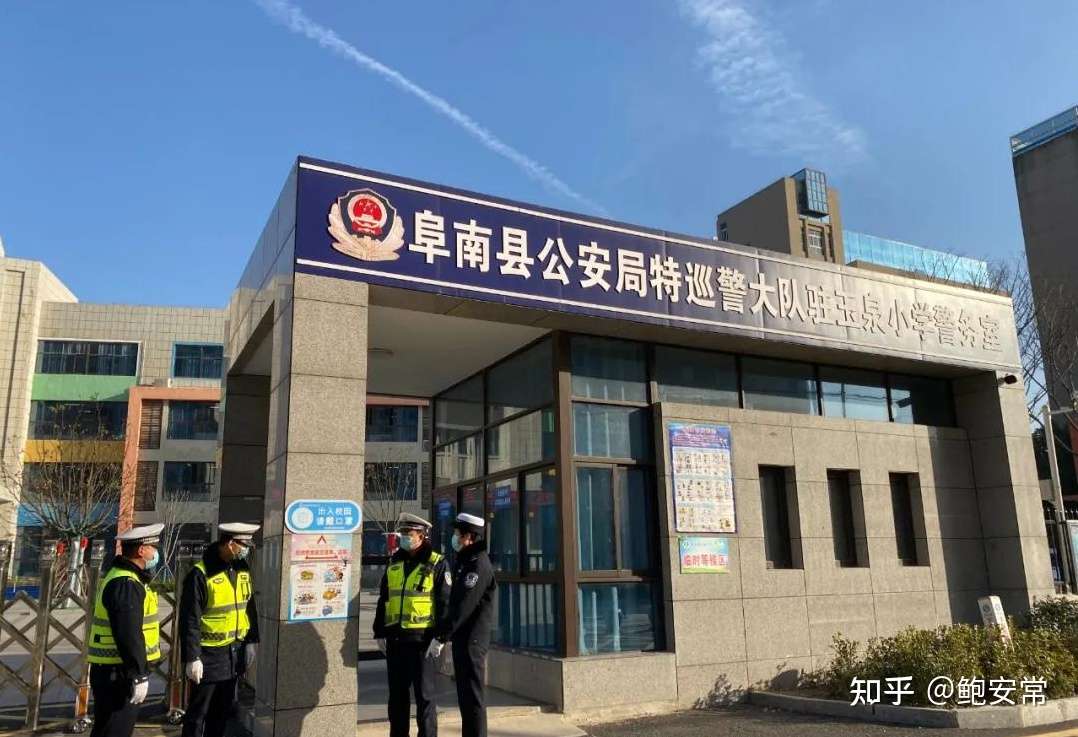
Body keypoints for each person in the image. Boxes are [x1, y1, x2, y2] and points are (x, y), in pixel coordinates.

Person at [373, 513, 450, 737]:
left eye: (409, 533)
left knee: (425, 698)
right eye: (403, 533)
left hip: (422, 643)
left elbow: (445, 604)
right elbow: (384, 598)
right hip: (396, 641)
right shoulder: (395, 562)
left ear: (422, 536)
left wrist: (441, 637)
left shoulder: (436, 563)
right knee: (397, 698)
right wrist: (379, 632)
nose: (404, 537)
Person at [179, 523, 260, 737]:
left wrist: (252, 640)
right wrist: (192, 657)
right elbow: (190, 619)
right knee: (198, 713)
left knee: (222, 712)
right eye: (243, 545)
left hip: (234, 652)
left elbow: (248, 606)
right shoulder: (200, 574)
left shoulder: (241, 568)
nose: (246, 550)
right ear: (230, 543)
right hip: (208, 654)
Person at [87, 523, 164, 737]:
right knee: (115, 730)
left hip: (116, 671)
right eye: (153, 548)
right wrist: (138, 674)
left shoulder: (123, 577)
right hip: (118, 673)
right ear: (141, 550)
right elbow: (129, 634)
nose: (155, 553)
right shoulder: (126, 583)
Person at [432, 513, 496, 737]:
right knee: (465, 699)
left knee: (472, 699)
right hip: (464, 640)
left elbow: (463, 606)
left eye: (457, 534)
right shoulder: (466, 561)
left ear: (469, 537)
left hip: (472, 641)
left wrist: (442, 636)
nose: (454, 538)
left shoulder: (477, 565)